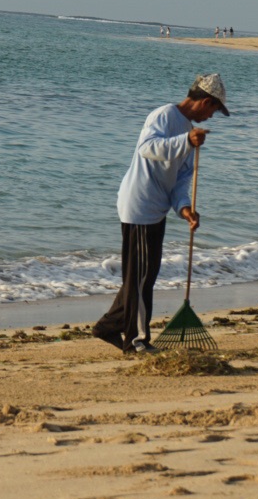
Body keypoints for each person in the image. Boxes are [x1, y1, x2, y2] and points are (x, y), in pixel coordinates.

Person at [93, 73, 228, 355]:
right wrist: (185, 141)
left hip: (157, 209)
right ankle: (137, 341)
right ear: (205, 101)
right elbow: (147, 148)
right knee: (140, 278)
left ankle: (108, 325)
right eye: (214, 110)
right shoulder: (164, 115)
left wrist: (185, 209)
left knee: (143, 276)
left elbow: (180, 180)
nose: (212, 117)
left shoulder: (189, 133)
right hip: (139, 205)